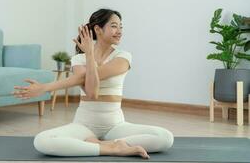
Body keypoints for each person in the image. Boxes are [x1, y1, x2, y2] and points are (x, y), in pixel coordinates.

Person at [13, 9, 173, 159]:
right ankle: (110, 148)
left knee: (165, 138)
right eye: (114, 26)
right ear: (98, 29)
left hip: (115, 127)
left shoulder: (123, 57)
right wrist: (89, 54)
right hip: (85, 125)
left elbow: (85, 78)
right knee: (42, 141)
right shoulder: (79, 59)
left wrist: (45, 88)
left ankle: (98, 144)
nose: (119, 31)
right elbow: (91, 93)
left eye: (121, 27)